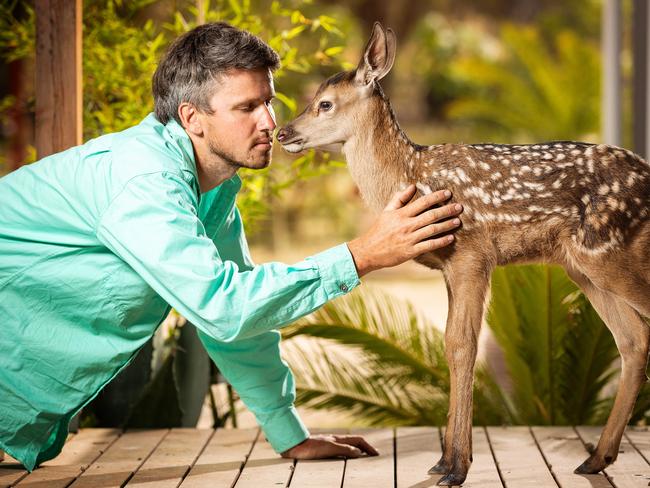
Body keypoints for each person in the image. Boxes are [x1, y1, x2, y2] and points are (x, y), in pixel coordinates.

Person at [0, 22, 462, 471]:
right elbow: (223, 307)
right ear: (191, 118)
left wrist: (289, 433)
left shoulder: (211, 193)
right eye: (247, 108)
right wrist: (361, 256)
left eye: (269, 101)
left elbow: (237, 322)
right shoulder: (144, 182)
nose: (270, 122)